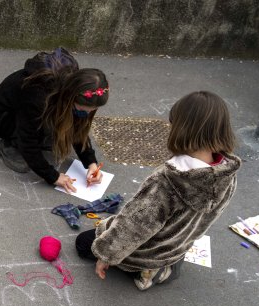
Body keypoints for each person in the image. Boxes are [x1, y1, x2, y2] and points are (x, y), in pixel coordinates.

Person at [75, 91, 241, 290]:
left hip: (149, 252)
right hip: (176, 244)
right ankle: (169, 262)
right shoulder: (226, 172)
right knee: (118, 232)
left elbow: (135, 225)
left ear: (181, 129)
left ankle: (147, 271)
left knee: (83, 243)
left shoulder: (169, 180)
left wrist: (106, 255)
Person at [0, 47, 109, 193]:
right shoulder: (39, 96)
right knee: (26, 159)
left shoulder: (73, 91)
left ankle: (40, 138)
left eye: (90, 112)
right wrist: (52, 176)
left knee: (50, 132)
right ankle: (11, 145)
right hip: (1, 117)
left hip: (30, 113)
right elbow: (28, 139)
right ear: (69, 98)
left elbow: (77, 127)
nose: (85, 114)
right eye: (82, 110)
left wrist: (91, 163)